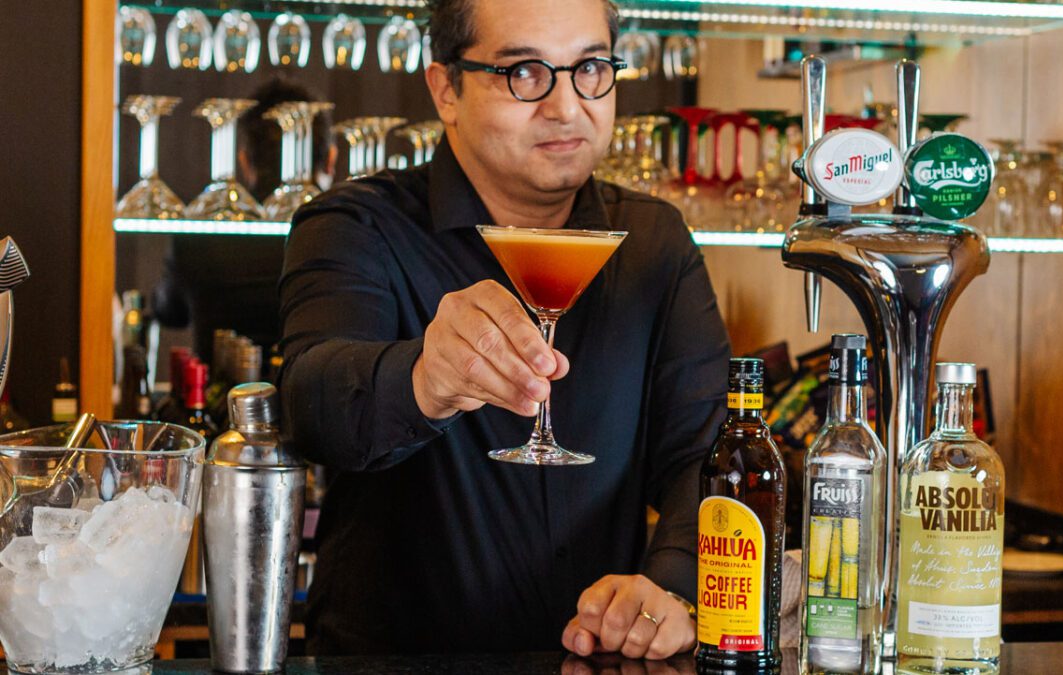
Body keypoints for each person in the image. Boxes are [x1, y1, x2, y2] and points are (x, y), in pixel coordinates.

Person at [279, 0, 731, 659]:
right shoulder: (357, 227)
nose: (566, 106)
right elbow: (311, 405)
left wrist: (670, 588)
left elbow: (706, 452)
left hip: (600, 664)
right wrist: (424, 379)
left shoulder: (653, 242)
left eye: (590, 69)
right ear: (447, 90)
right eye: (524, 72)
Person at [152, 78, 336, 361]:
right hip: (320, 399)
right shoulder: (342, 234)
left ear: (244, 161)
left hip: (217, 400)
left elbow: (169, 312)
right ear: (331, 160)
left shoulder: (200, 232)